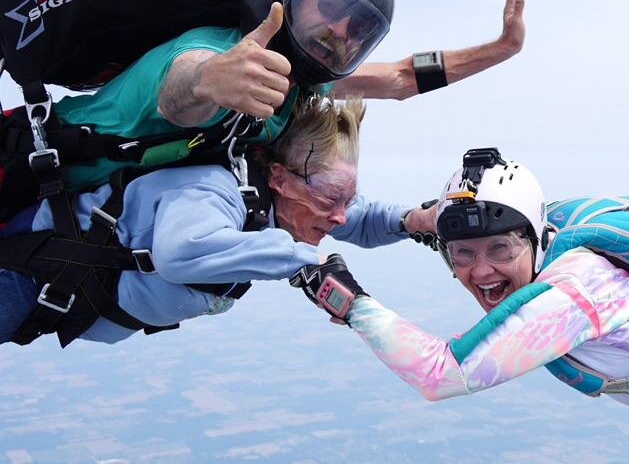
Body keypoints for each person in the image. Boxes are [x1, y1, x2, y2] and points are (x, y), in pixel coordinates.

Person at [291, 148, 629, 441]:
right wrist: (421, 222)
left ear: (532, 240)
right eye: (462, 256)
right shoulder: (551, 240)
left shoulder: (572, 296)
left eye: (500, 249)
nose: (482, 271)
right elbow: (483, 239)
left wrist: (345, 298)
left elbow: (440, 376)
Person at [49, 0, 532, 192]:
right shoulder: (223, 49)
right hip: (33, 168)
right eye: (330, 6)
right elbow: (177, 90)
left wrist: (502, 48)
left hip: (69, 211)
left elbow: (403, 77)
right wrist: (210, 81)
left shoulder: (301, 82)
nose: (340, 30)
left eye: (358, 28)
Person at [0, 96, 436, 347]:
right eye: (331, 197)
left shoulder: (292, 208)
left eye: (348, 198)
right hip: (22, 277)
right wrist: (306, 264)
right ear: (279, 178)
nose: (339, 215)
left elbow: (359, 219)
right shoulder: (214, 189)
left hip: (48, 303)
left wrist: (416, 220)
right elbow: (178, 253)